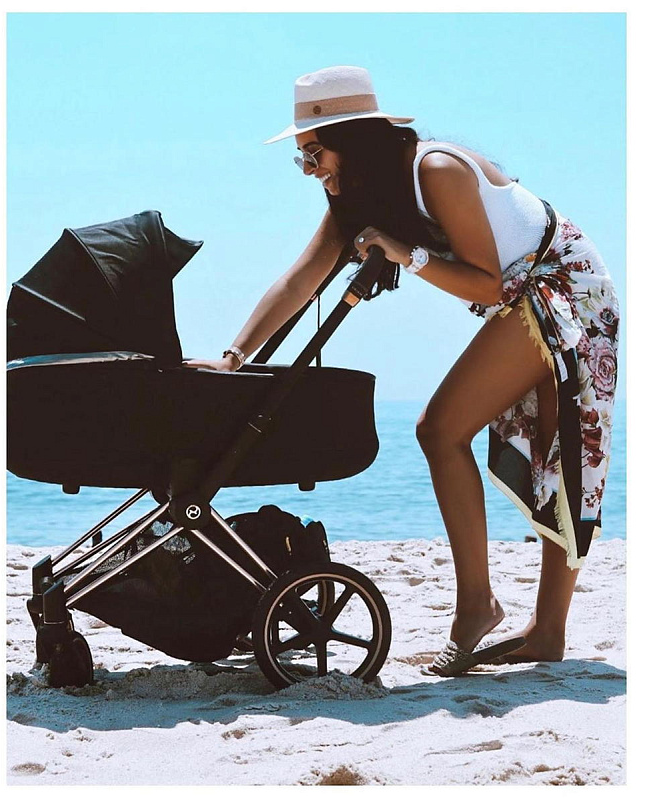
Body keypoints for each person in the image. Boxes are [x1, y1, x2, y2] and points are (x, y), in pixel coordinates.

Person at [184, 66, 620, 676]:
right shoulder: (359, 196)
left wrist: (407, 254)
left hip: (565, 288)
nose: (308, 169)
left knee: (483, 438)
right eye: (301, 158)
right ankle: (531, 628)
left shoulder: (435, 169)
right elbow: (299, 281)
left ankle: (499, 615)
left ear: (353, 140)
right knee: (508, 446)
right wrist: (233, 358)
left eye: (314, 154)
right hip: (523, 293)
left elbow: (488, 284)